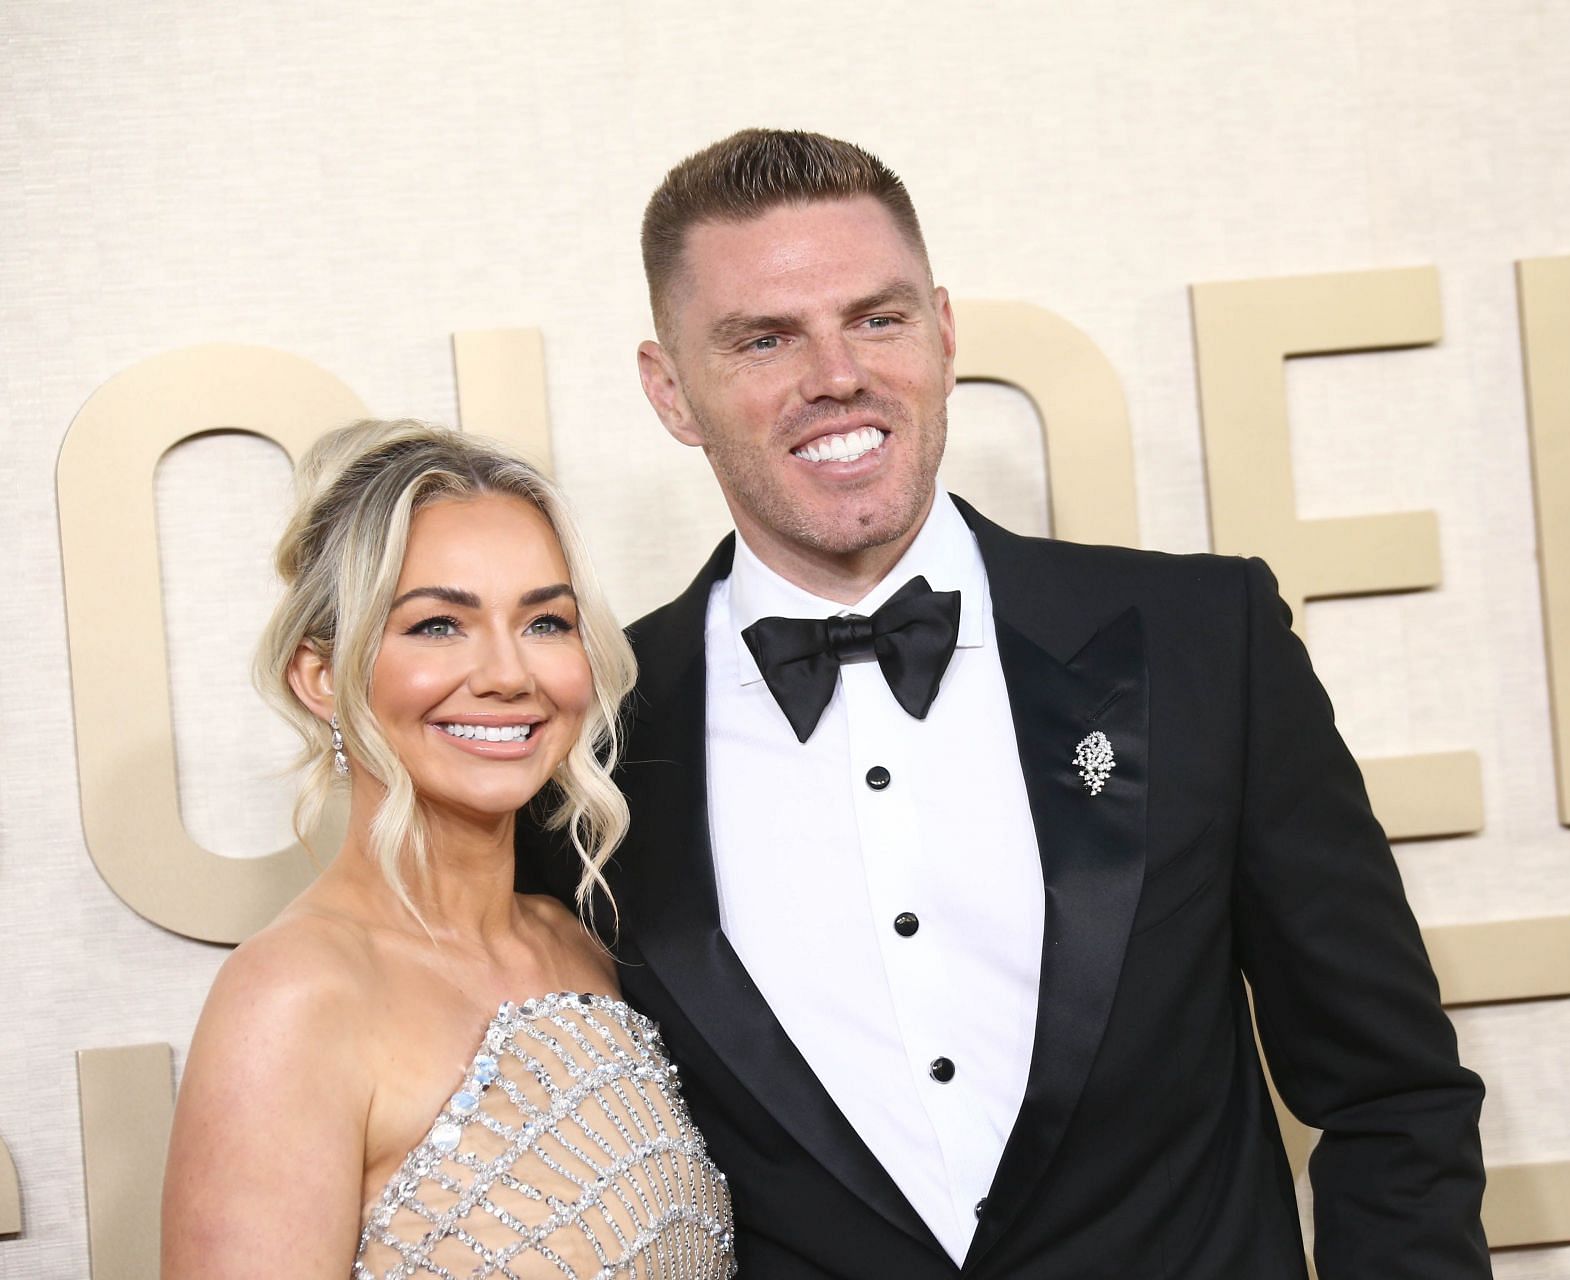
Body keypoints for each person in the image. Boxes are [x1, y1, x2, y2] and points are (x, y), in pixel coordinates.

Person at [519, 129, 1490, 1278]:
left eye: (877, 318)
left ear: (943, 331)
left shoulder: (1201, 643)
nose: (837, 374)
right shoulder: (588, 743)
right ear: (671, 390)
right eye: (765, 338)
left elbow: (1394, 1097)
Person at [161, 420, 735, 1278]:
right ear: (322, 676)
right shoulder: (292, 1001)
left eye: (546, 621)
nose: (509, 673)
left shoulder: (581, 945)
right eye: (437, 626)